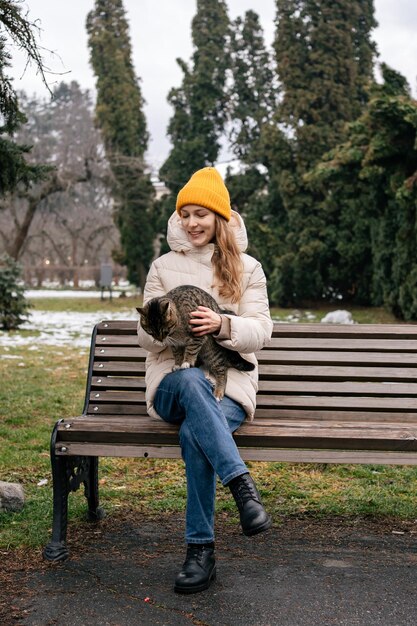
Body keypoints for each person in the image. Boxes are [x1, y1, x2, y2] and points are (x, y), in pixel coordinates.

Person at [137, 167, 273, 594]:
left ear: (219, 218)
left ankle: (201, 552)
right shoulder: (163, 266)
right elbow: (145, 337)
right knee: (193, 386)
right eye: (185, 214)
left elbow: (261, 332)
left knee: (197, 433)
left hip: (227, 382)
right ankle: (242, 487)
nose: (192, 223)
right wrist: (164, 317)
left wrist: (223, 324)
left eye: (202, 214)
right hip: (172, 383)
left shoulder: (247, 268)